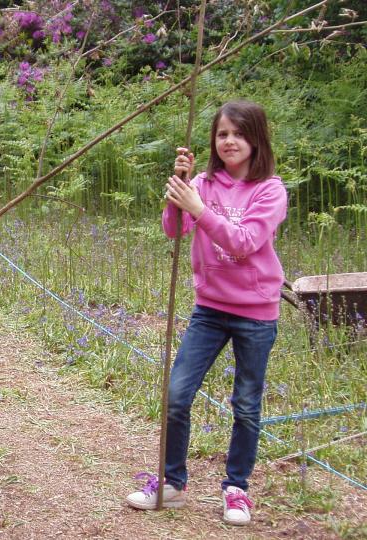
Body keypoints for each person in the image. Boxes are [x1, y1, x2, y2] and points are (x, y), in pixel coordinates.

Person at [125, 101, 287, 526]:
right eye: (222, 134)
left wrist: (198, 208)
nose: (229, 141)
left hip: (256, 313)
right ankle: (172, 483)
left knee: (246, 405)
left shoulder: (270, 189)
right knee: (177, 394)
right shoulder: (202, 182)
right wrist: (179, 194)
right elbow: (175, 230)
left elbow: (244, 242)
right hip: (210, 309)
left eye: (238, 133)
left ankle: (236, 489)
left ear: (255, 139)